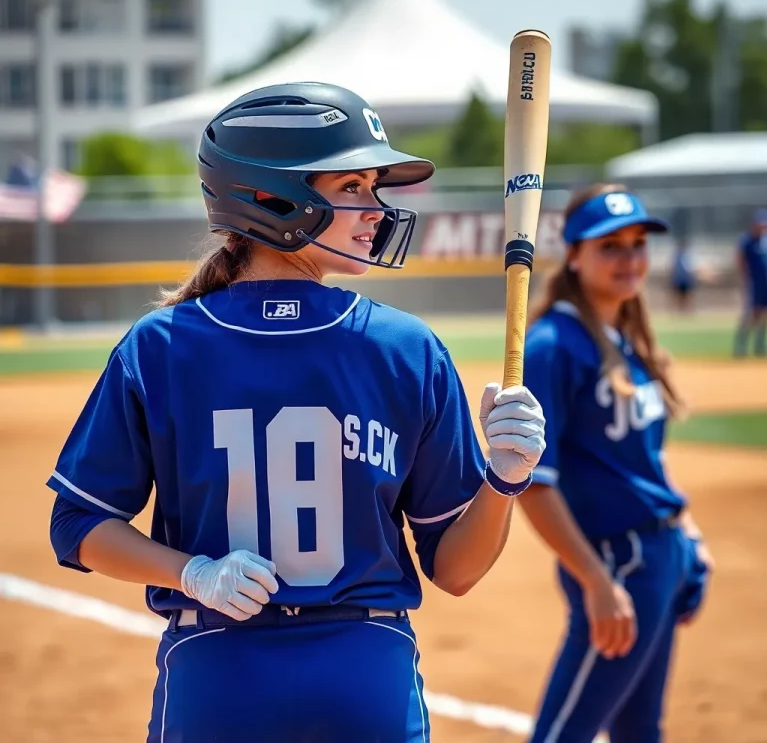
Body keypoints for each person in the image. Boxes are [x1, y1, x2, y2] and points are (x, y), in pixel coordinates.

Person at [46, 82, 546, 743]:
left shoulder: (159, 347)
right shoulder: (405, 349)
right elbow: (456, 569)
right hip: (366, 675)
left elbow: (78, 525)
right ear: (273, 196)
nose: (376, 211)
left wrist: (192, 576)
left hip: (216, 674)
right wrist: (500, 485)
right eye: (353, 188)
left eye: (374, 188)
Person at [517, 184, 714, 742]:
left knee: (639, 730)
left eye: (636, 244)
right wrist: (598, 583)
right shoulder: (553, 345)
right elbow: (535, 483)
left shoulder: (624, 339)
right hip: (618, 563)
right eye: (610, 246)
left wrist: (690, 537)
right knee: (562, 735)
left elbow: (649, 459)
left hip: (662, 555)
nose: (629, 259)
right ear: (574, 255)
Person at [734, 208, 767, 357]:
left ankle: (759, 345)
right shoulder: (747, 240)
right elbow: (740, 260)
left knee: (765, 315)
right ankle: (740, 346)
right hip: (754, 283)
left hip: (765, 283)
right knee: (751, 315)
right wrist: (744, 279)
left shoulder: (765, 241)